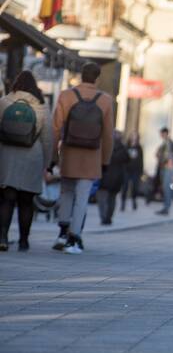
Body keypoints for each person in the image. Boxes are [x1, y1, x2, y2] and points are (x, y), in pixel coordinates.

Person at [52, 62, 115, 254]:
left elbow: (55, 128)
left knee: (66, 192)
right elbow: (108, 135)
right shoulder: (105, 100)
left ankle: (62, 233)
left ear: (81, 76)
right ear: (97, 78)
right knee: (82, 197)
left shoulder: (66, 95)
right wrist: (105, 161)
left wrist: (53, 157)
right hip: (92, 157)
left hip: (70, 153)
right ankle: (75, 237)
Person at [0, 71, 53, 251]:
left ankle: (3, 238)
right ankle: (24, 241)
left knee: (7, 199)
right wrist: (47, 164)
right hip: (32, 157)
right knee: (26, 201)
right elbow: (47, 139)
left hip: (7, 156)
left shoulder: (4, 102)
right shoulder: (42, 107)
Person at [96, 129, 127, 226]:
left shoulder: (105, 147)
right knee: (112, 199)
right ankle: (108, 217)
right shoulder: (124, 150)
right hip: (117, 179)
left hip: (104, 176)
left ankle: (104, 217)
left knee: (102, 198)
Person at [155, 127, 173, 216]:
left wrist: (172, 160)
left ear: (166, 133)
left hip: (169, 168)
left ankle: (166, 208)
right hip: (163, 167)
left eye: (162, 134)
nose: (161, 136)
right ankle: (165, 207)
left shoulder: (171, 143)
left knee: (167, 187)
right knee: (165, 187)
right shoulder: (163, 144)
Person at [120, 133, 143, 211]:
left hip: (136, 171)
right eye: (132, 136)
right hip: (127, 170)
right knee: (125, 187)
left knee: (135, 187)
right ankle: (123, 203)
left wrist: (141, 171)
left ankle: (134, 201)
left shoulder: (139, 148)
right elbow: (122, 158)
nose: (133, 138)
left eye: (135, 137)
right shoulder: (126, 147)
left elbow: (141, 160)